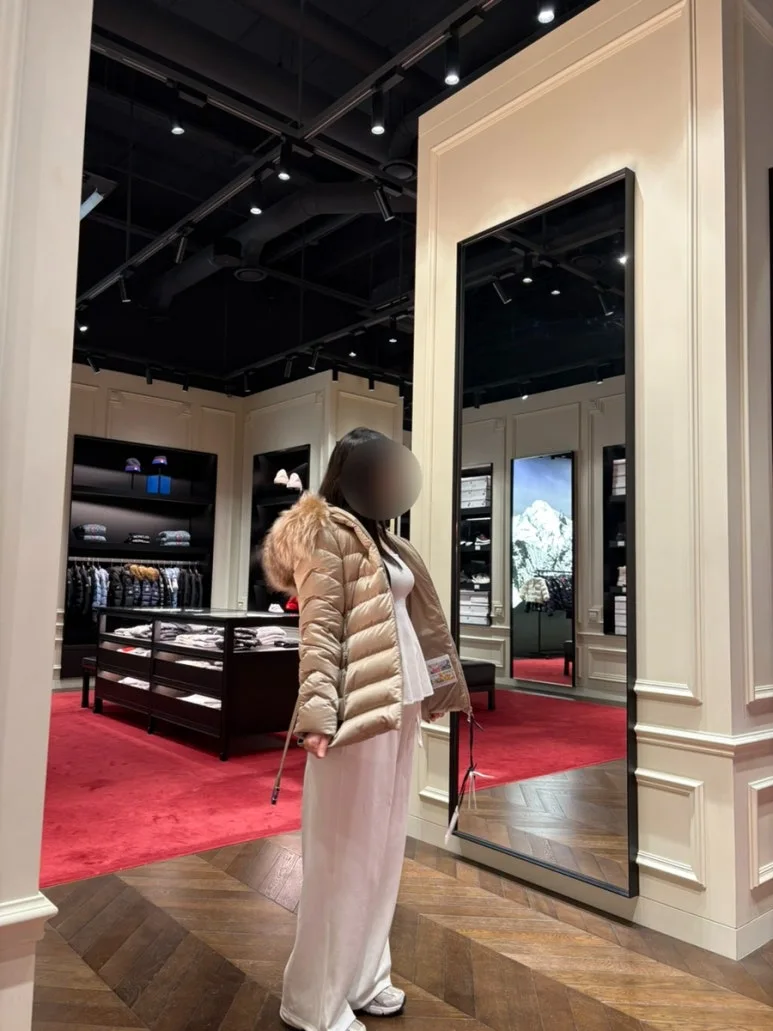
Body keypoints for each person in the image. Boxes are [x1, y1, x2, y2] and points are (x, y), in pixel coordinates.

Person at [262, 427, 470, 1031]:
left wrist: (439, 687)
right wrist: (317, 716)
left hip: (401, 702)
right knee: (341, 853)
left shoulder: (387, 539)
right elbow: (320, 629)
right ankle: (314, 1002)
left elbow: (420, 621)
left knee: (382, 848)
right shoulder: (325, 533)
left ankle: (365, 977)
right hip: (355, 709)